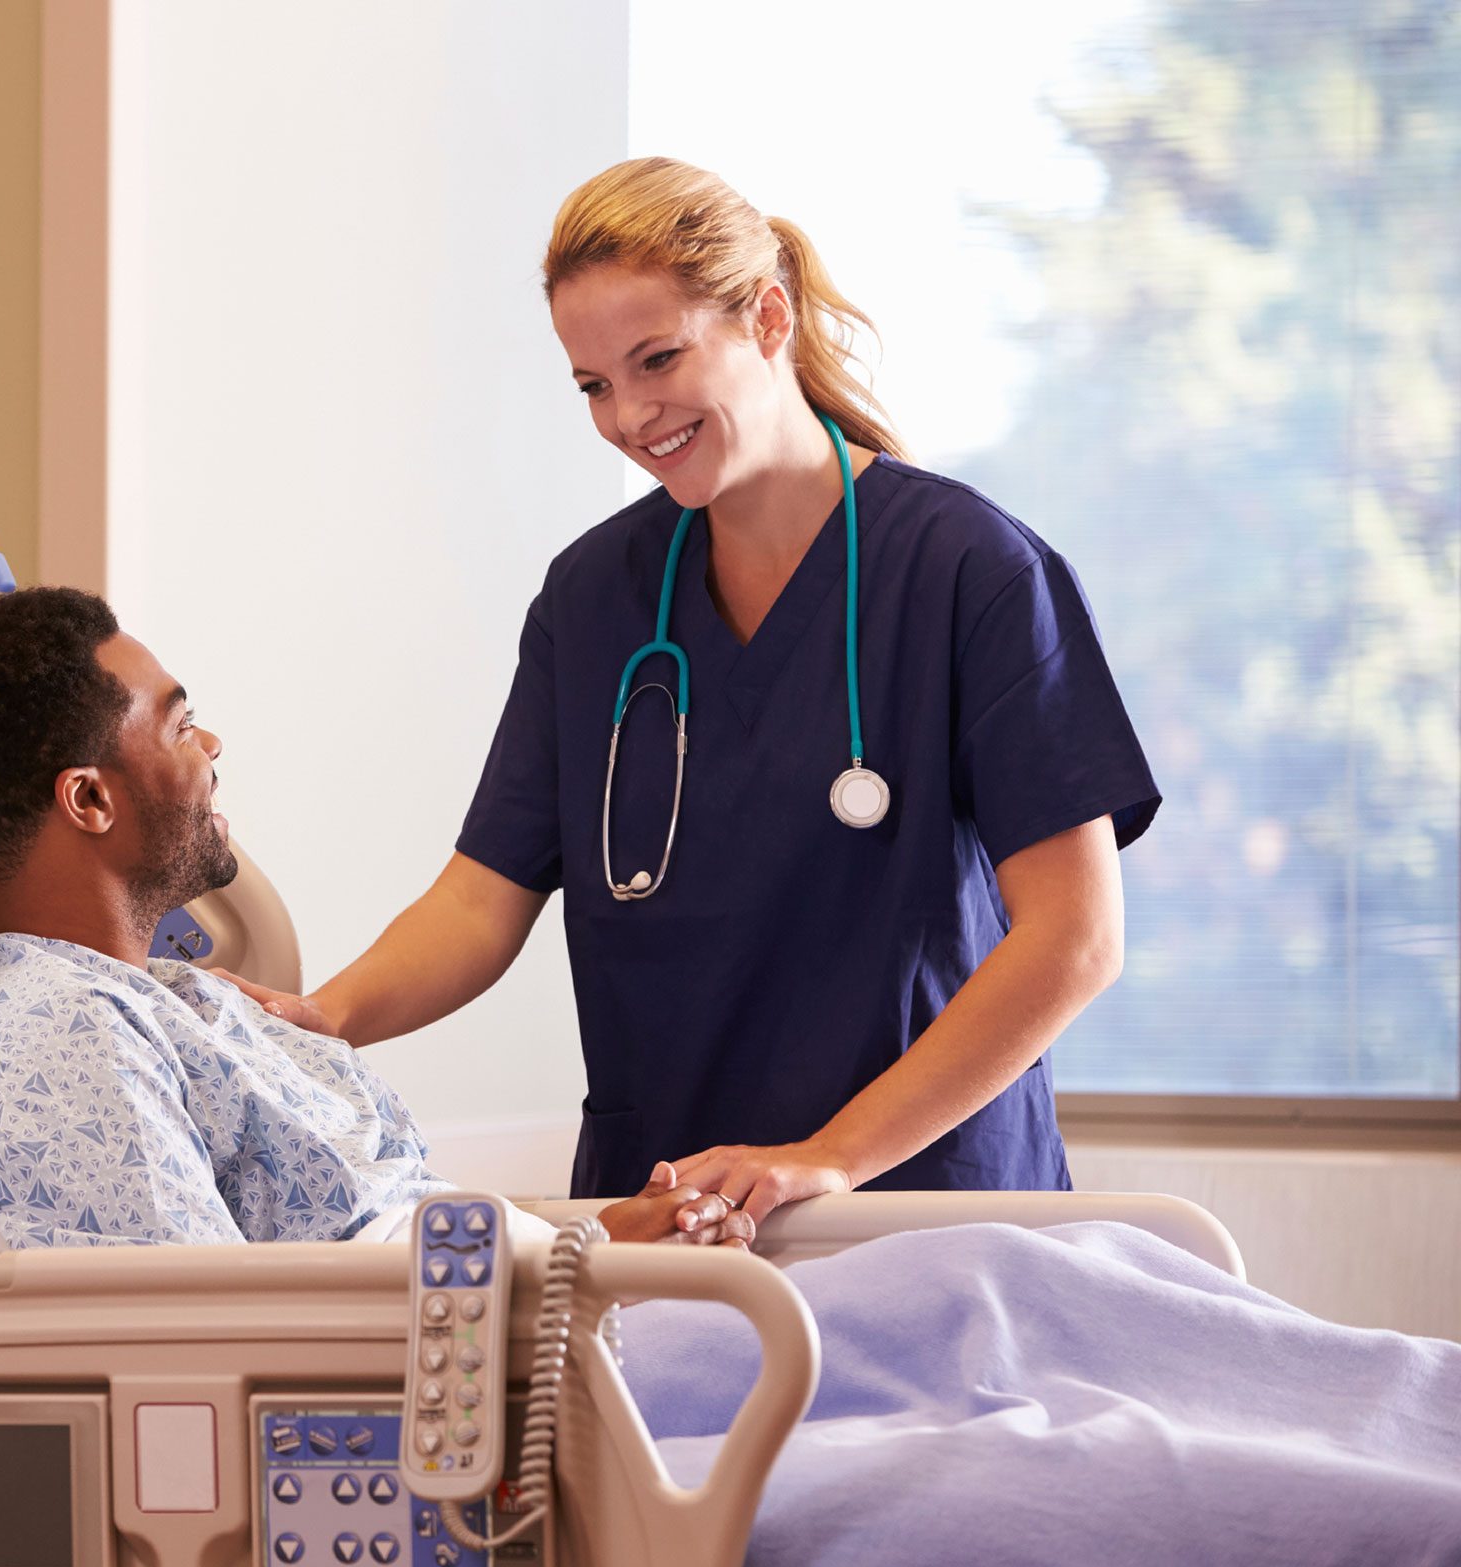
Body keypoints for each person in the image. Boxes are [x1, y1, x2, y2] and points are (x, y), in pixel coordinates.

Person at [227, 158, 1161, 1224]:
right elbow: (480, 899)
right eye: (592, 385)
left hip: (918, 1209)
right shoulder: (595, 599)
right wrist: (327, 1014)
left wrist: (833, 1155)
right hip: (671, 1213)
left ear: (768, 318)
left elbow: (1075, 938)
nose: (628, 415)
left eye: (657, 358)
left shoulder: (969, 572)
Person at [0, 586, 751, 1250]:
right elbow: (204, 1339)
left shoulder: (163, 997)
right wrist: (587, 1259)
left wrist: (589, 1247)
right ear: (88, 799)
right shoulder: (59, 1036)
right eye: (182, 726)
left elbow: (378, 1226)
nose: (212, 747)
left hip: (516, 1328)